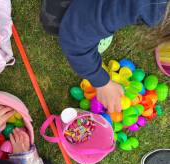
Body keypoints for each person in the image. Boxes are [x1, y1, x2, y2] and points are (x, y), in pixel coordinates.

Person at [40, 0, 169, 112]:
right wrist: (102, 83)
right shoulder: (150, 6)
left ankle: (96, 21)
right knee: (56, 22)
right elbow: (75, 38)